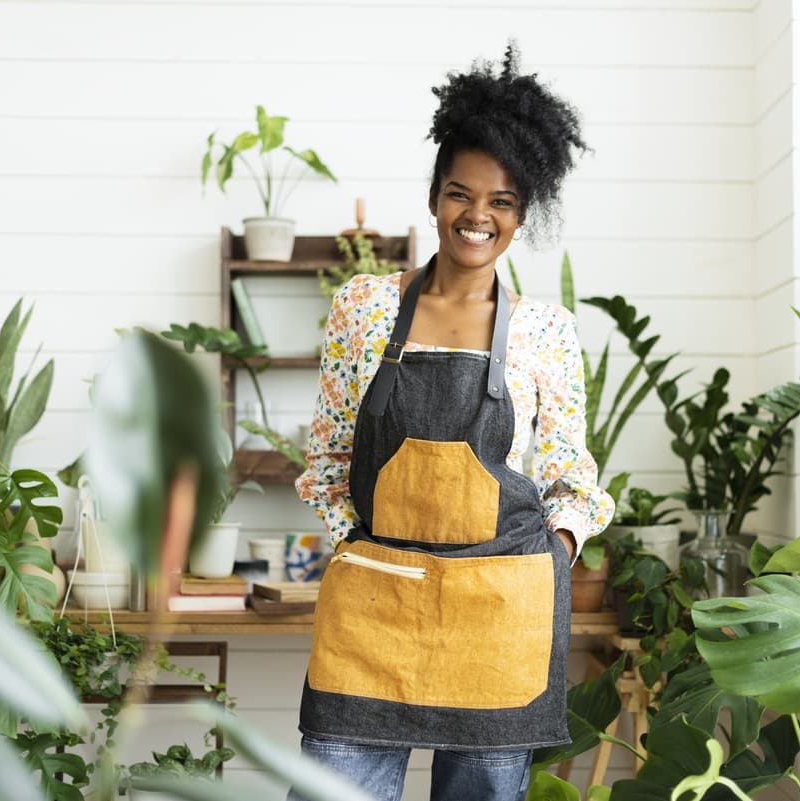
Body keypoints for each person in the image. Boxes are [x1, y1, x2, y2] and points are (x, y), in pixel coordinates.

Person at [292, 43, 614, 801]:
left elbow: (573, 478)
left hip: (500, 614)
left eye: (502, 201)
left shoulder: (545, 332)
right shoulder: (365, 309)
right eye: (461, 194)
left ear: (523, 213)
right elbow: (330, 455)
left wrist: (552, 555)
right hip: (375, 607)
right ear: (435, 195)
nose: (478, 217)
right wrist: (356, 546)